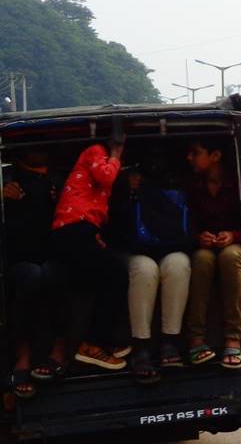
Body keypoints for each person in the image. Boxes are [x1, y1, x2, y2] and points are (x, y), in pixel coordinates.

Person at [107, 160, 193, 382]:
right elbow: (114, 228)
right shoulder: (121, 186)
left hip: (170, 246)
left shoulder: (177, 180)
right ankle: (141, 345)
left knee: (178, 265)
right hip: (135, 248)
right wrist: (126, 191)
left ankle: (170, 341)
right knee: (144, 270)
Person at [50, 140, 130, 371]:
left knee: (106, 277)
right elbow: (105, 177)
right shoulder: (97, 151)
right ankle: (92, 345)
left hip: (81, 230)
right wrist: (115, 154)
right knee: (117, 275)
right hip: (74, 228)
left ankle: (101, 341)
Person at [3, 149, 68, 394]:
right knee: (30, 276)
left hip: (54, 256)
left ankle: (59, 351)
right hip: (17, 260)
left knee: (55, 272)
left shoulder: (60, 179)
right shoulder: (8, 175)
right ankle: (22, 355)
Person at [184, 139, 241, 370]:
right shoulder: (191, 185)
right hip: (205, 248)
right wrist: (199, 237)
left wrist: (233, 235)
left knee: (230, 257)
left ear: (215, 156)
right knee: (201, 260)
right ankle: (196, 339)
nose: (189, 158)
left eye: (195, 152)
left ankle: (233, 338)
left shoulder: (239, 183)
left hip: (235, 245)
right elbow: (185, 226)